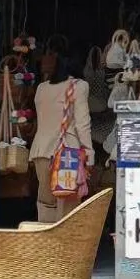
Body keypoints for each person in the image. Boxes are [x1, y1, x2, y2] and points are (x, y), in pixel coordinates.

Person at [29, 56, 94, 223]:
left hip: (41, 151)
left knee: (46, 203)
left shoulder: (41, 88)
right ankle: (65, 246)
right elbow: (82, 124)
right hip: (67, 152)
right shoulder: (79, 86)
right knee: (67, 205)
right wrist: (89, 153)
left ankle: (46, 244)